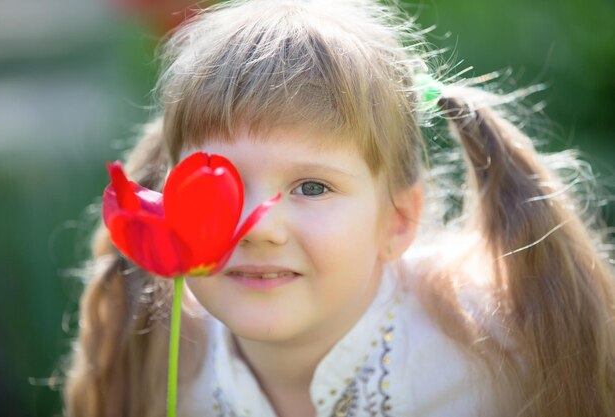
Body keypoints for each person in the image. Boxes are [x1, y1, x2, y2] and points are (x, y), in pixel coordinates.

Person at [63, 0, 615, 416]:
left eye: (311, 187)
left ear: (397, 221)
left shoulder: (491, 369)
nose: (261, 228)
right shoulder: (167, 374)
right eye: (223, 183)